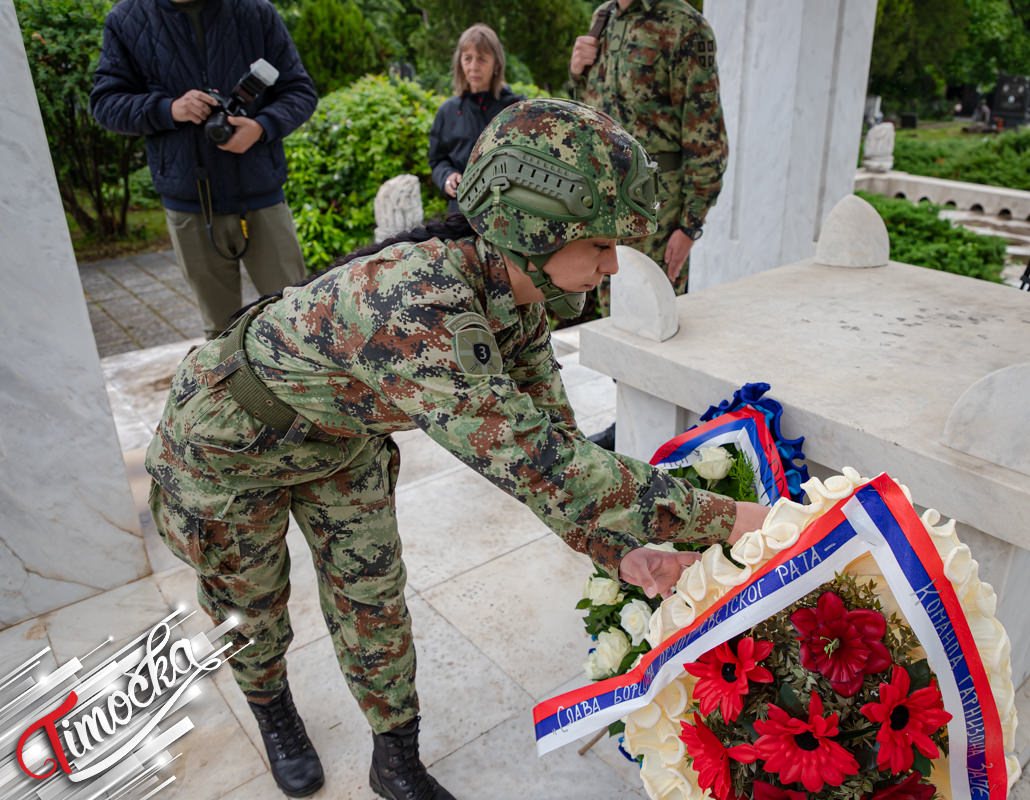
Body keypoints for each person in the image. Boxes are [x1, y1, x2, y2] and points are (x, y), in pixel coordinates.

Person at [144, 98, 768, 799]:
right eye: (600, 244)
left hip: (340, 443)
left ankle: (395, 758)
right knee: (253, 606)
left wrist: (618, 550)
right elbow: (540, 465)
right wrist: (746, 522)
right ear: (533, 225)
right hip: (231, 449)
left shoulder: (519, 299)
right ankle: (272, 706)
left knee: (373, 600)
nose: (612, 266)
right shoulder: (417, 303)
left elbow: (553, 454)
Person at [91, 0, 317, 340]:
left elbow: (300, 90)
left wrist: (262, 127)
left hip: (262, 196)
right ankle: (233, 394)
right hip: (190, 206)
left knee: (299, 318)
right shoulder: (127, 19)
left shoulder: (255, 11)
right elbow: (105, 103)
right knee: (220, 335)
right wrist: (170, 109)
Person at [569, 0, 728, 293]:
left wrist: (690, 226)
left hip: (656, 208)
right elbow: (591, 111)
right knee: (610, 318)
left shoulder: (685, 27)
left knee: (652, 320)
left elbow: (706, 135)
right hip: (601, 200)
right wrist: (577, 73)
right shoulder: (605, 17)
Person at [428, 23, 524, 213]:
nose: (473, 67)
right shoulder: (447, 111)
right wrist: (447, 176)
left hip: (508, 212)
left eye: (481, 59)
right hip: (461, 212)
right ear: (459, 62)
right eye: (467, 58)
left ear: (496, 64)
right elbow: (437, 160)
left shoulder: (516, 109)